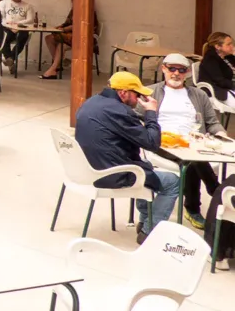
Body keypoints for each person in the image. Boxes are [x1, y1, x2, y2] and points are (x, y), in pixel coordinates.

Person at [74, 72, 181, 243]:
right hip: (112, 174)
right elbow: (152, 143)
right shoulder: (121, 111)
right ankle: (149, 231)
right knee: (173, 182)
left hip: (87, 168)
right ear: (123, 93)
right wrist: (151, 113)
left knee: (145, 166)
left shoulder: (91, 102)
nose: (139, 98)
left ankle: (146, 220)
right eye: (136, 94)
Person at [143, 54, 229, 230]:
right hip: (163, 143)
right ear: (164, 69)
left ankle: (213, 192)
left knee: (193, 156)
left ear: (188, 72)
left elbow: (212, 122)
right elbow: (136, 119)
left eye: (181, 70)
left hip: (194, 141)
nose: (176, 73)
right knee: (191, 160)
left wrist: (222, 136)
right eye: (172, 69)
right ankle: (202, 201)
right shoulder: (150, 92)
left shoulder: (198, 95)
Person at [39, 0, 99, 80]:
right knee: (49, 38)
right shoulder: (74, 9)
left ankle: (52, 70)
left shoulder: (88, 11)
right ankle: (58, 65)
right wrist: (58, 27)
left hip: (85, 37)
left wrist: (64, 29)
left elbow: (80, 26)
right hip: (71, 36)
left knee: (61, 45)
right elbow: (67, 23)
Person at [0, 0, 36, 68]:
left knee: (23, 36)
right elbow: (1, 18)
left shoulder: (28, 6)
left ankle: (10, 59)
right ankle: (10, 61)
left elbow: (30, 20)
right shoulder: (3, 3)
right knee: (3, 38)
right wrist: (10, 26)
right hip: (7, 28)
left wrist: (16, 24)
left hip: (21, 29)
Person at [198, 31, 235, 103]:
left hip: (229, 88)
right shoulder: (210, 59)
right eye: (228, 44)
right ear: (218, 46)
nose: (232, 46)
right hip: (217, 90)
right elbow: (220, 81)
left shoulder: (228, 57)